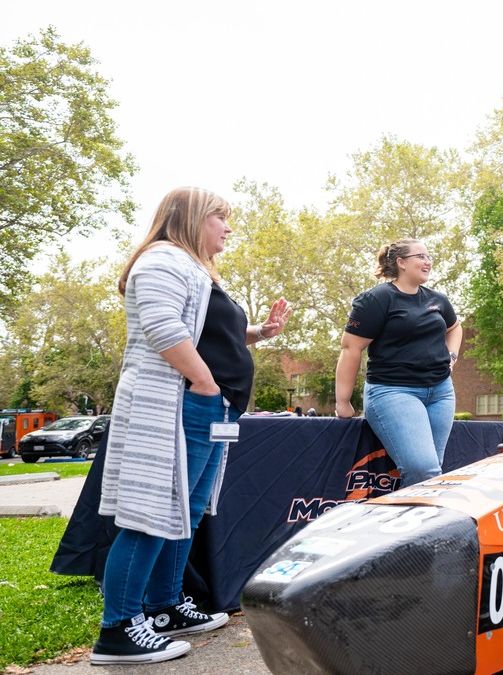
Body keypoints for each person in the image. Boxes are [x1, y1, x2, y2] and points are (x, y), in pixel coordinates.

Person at [93, 187, 291, 664]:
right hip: (180, 401)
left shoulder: (193, 268)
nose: (228, 228)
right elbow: (164, 328)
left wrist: (258, 333)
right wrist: (204, 383)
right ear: (191, 218)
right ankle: (117, 629)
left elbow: (206, 327)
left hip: (210, 406)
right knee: (152, 513)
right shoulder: (162, 258)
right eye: (220, 218)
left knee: (188, 510)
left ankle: (164, 607)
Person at [335, 238, 462, 488]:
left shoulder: (438, 300)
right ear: (401, 262)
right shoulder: (377, 299)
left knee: (431, 473)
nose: (428, 261)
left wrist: (452, 357)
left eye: (429, 256)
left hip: (441, 393)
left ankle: (421, 525)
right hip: (393, 391)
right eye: (421, 257)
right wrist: (343, 401)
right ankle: (414, 526)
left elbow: (455, 327)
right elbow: (351, 348)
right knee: (423, 469)